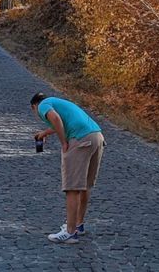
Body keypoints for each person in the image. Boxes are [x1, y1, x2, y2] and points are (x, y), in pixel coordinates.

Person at [31, 92, 106, 244]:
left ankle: (70, 233)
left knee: (72, 187)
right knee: (84, 185)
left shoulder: (42, 105)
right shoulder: (57, 102)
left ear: (34, 106)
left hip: (80, 140)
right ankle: (78, 225)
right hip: (96, 136)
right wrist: (45, 132)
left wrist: (64, 142)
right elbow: (63, 121)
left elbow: (56, 119)